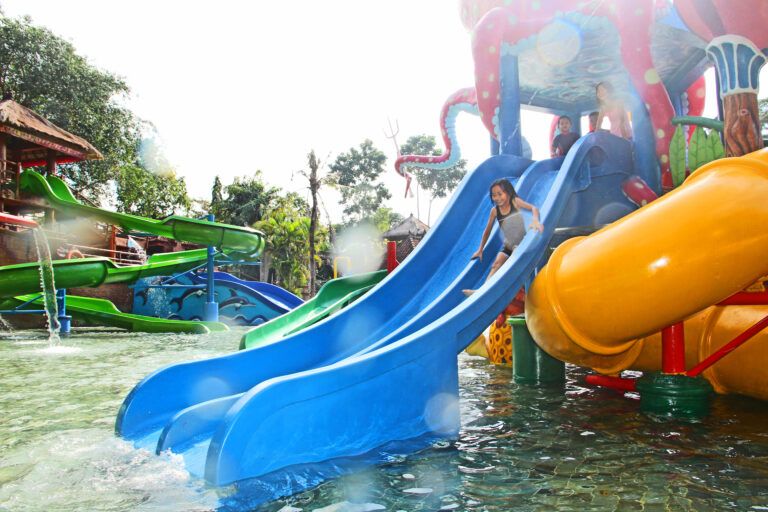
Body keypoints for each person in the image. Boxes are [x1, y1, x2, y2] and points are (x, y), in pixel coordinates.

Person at [463, 178, 543, 296]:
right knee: (496, 264)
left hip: (522, 242)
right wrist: (480, 249)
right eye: (494, 195)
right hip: (508, 245)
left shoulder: (514, 202)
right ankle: (481, 291)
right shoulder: (494, 211)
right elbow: (487, 230)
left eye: (500, 194)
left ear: (508, 193)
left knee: (514, 256)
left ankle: (505, 288)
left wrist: (535, 220)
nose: (497, 198)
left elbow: (533, 208)